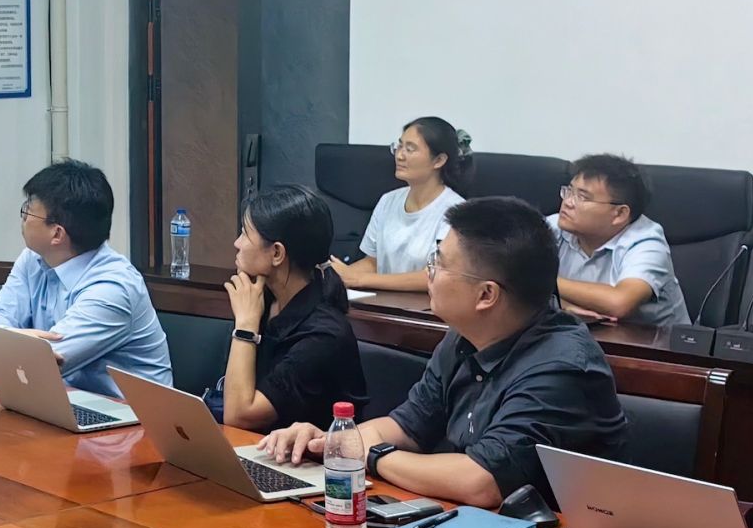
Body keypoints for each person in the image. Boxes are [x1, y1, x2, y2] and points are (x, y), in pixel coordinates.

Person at [261, 197, 626, 508]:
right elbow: (406, 426)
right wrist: (332, 441)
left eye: (439, 262)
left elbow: (482, 482)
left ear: (486, 295)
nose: (429, 272)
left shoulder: (562, 367)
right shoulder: (463, 337)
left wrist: (369, 455)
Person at [0, 159, 170, 396]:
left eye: (28, 211)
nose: (23, 218)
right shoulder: (33, 258)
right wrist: (14, 339)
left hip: (128, 415)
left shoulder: (113, 289)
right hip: (62, 401)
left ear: (57, 234)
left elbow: (41, 362)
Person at [208, 184, 366, 431]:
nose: (237, 243)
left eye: (245, 233)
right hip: (257, 446)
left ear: (277, 253)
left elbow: (239, 416)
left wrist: (246, 327)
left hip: (309, 454)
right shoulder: (264, 299)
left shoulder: (324, 335)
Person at [550, 153, 689, 327]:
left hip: (653, 341)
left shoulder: (646, 242)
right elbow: (516, 281)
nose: (568, 202)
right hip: (582, 335)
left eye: (583, 197)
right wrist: (562, 305)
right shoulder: (553, 227)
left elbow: (619, 302)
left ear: (620, 214)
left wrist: (544, 282)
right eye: (569, 191)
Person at [332, 117, 470, 293]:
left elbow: (434, 275)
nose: (399, 155)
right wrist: (339, 276)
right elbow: (373, 262)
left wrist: (359, 279)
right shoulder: (388, 201)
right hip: (380, 301)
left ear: (439, 160)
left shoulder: (456, 212)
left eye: (410, 149)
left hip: (426, 306)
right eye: (399, 146)